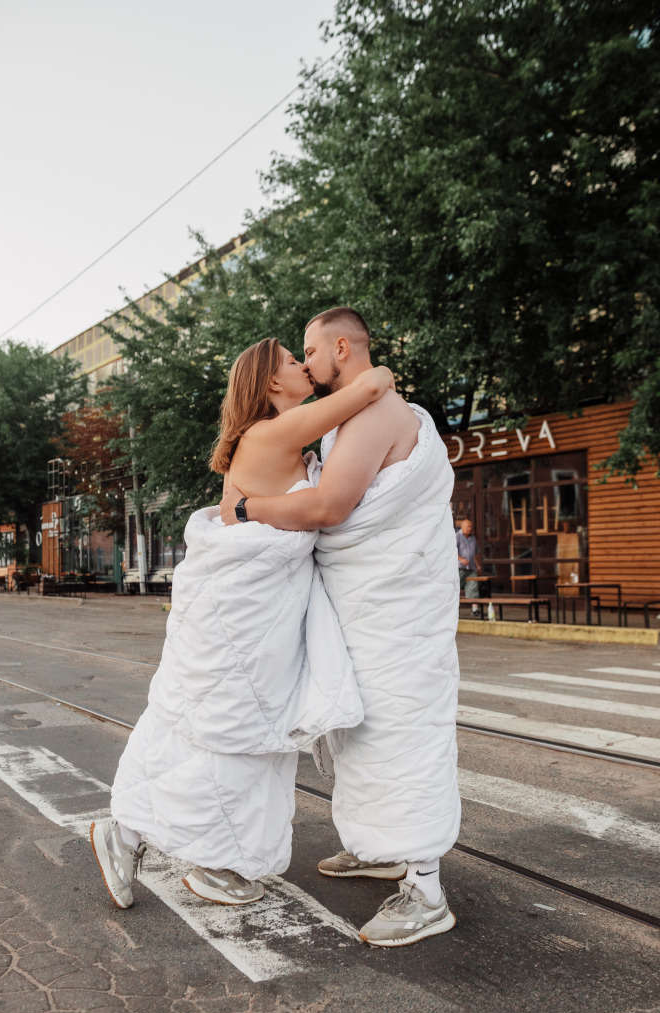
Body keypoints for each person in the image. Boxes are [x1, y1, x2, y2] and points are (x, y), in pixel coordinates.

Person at [91, 337, 392, 909]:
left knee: (228, 732)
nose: (304, 365)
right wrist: (359, 366)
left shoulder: (279, 437)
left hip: (253, 613)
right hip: (242, 612)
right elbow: (371, 386)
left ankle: (147, 839)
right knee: (231, 733)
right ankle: (174, 848)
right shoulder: (270, 432)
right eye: (291, 360)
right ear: (270, 383)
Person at [220, 307, 461, 948]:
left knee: (405, 732)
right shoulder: (350, 415)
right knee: (365, 731)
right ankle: (383, 849)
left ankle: (427, 889)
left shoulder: (374, 415)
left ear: (342, 348)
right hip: (367, 609)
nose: (305, 361)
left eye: (310, 350)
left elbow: (329, 508)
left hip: (396, 612)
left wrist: (246, 509)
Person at [456, 517, 482, 615]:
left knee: (473, 588)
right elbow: (452, 550)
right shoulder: (457, 537)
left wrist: (478, 566)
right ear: (462, 527)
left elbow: (476, 553)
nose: (470, 529)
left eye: (471, 527)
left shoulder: (473, 538)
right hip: (459, 568)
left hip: (471, 568)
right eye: (468, 527)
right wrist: (461, 559)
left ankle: (475, 610)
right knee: (455, 588)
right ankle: (452, 611)